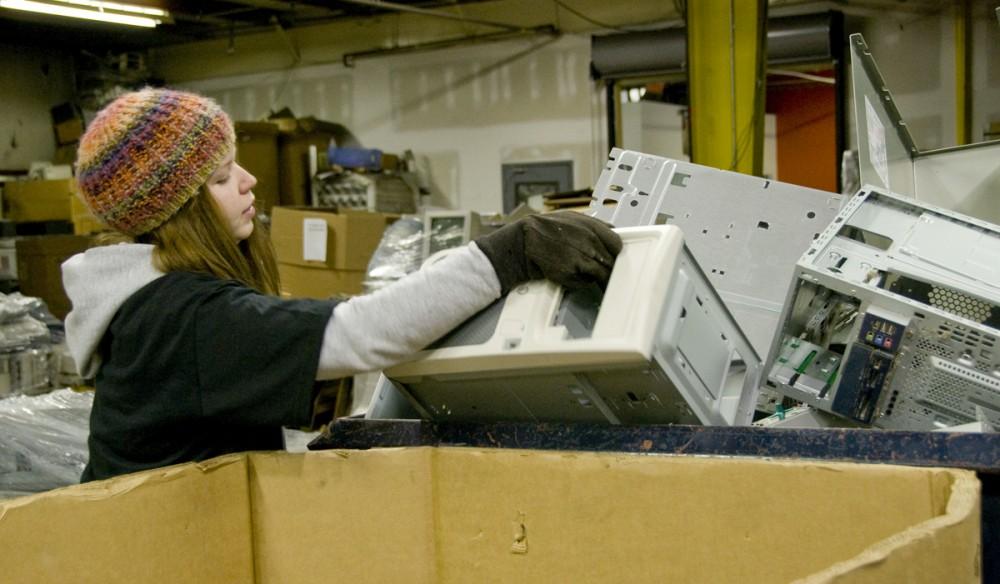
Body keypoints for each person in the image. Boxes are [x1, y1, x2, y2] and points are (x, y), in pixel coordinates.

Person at [62, 87, 622, 482]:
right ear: (179, 210)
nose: (249, 180)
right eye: (221, 176)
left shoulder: (149, 305)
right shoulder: (184, 316)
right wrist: (509, 253)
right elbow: (362, 332)